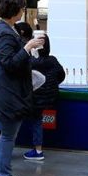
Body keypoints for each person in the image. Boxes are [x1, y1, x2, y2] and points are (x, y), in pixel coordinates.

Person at [0, 0, 46, 176]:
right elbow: (10, 63)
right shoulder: (4, 34)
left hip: (4, 87)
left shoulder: (3, 29)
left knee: (7, 133)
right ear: (15, 10)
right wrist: (27, 47)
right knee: (8, 135)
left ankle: (0, 172)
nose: (23, 11)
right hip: (7, 90)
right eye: (21, 8)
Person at [23, 32, 66, 163]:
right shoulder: (52, 60)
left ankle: (38, 150)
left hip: (35, 98)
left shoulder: (30, 62)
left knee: (36, 121)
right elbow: (61, 75)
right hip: (51, 97)